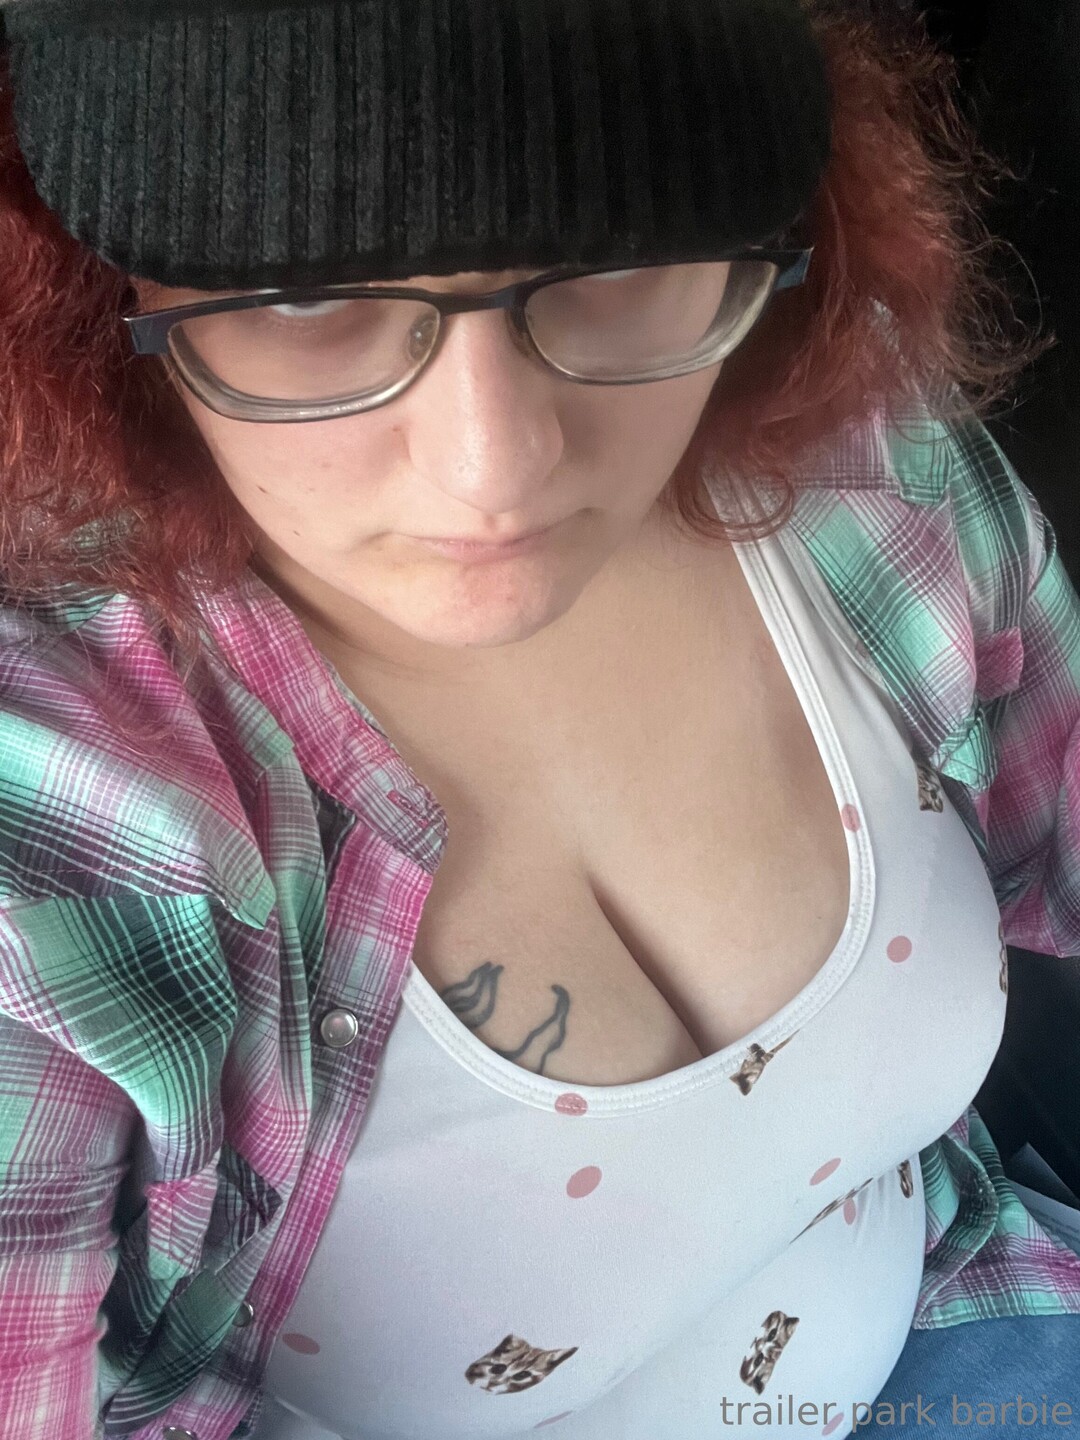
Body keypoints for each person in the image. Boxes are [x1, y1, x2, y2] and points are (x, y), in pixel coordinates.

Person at [0, 2, 1079, 1439]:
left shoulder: (862, 461)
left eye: (617, 262)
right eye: (305, 299)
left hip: (973, 1317)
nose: (494, 468)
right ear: (99, 304)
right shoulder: (57, 829)